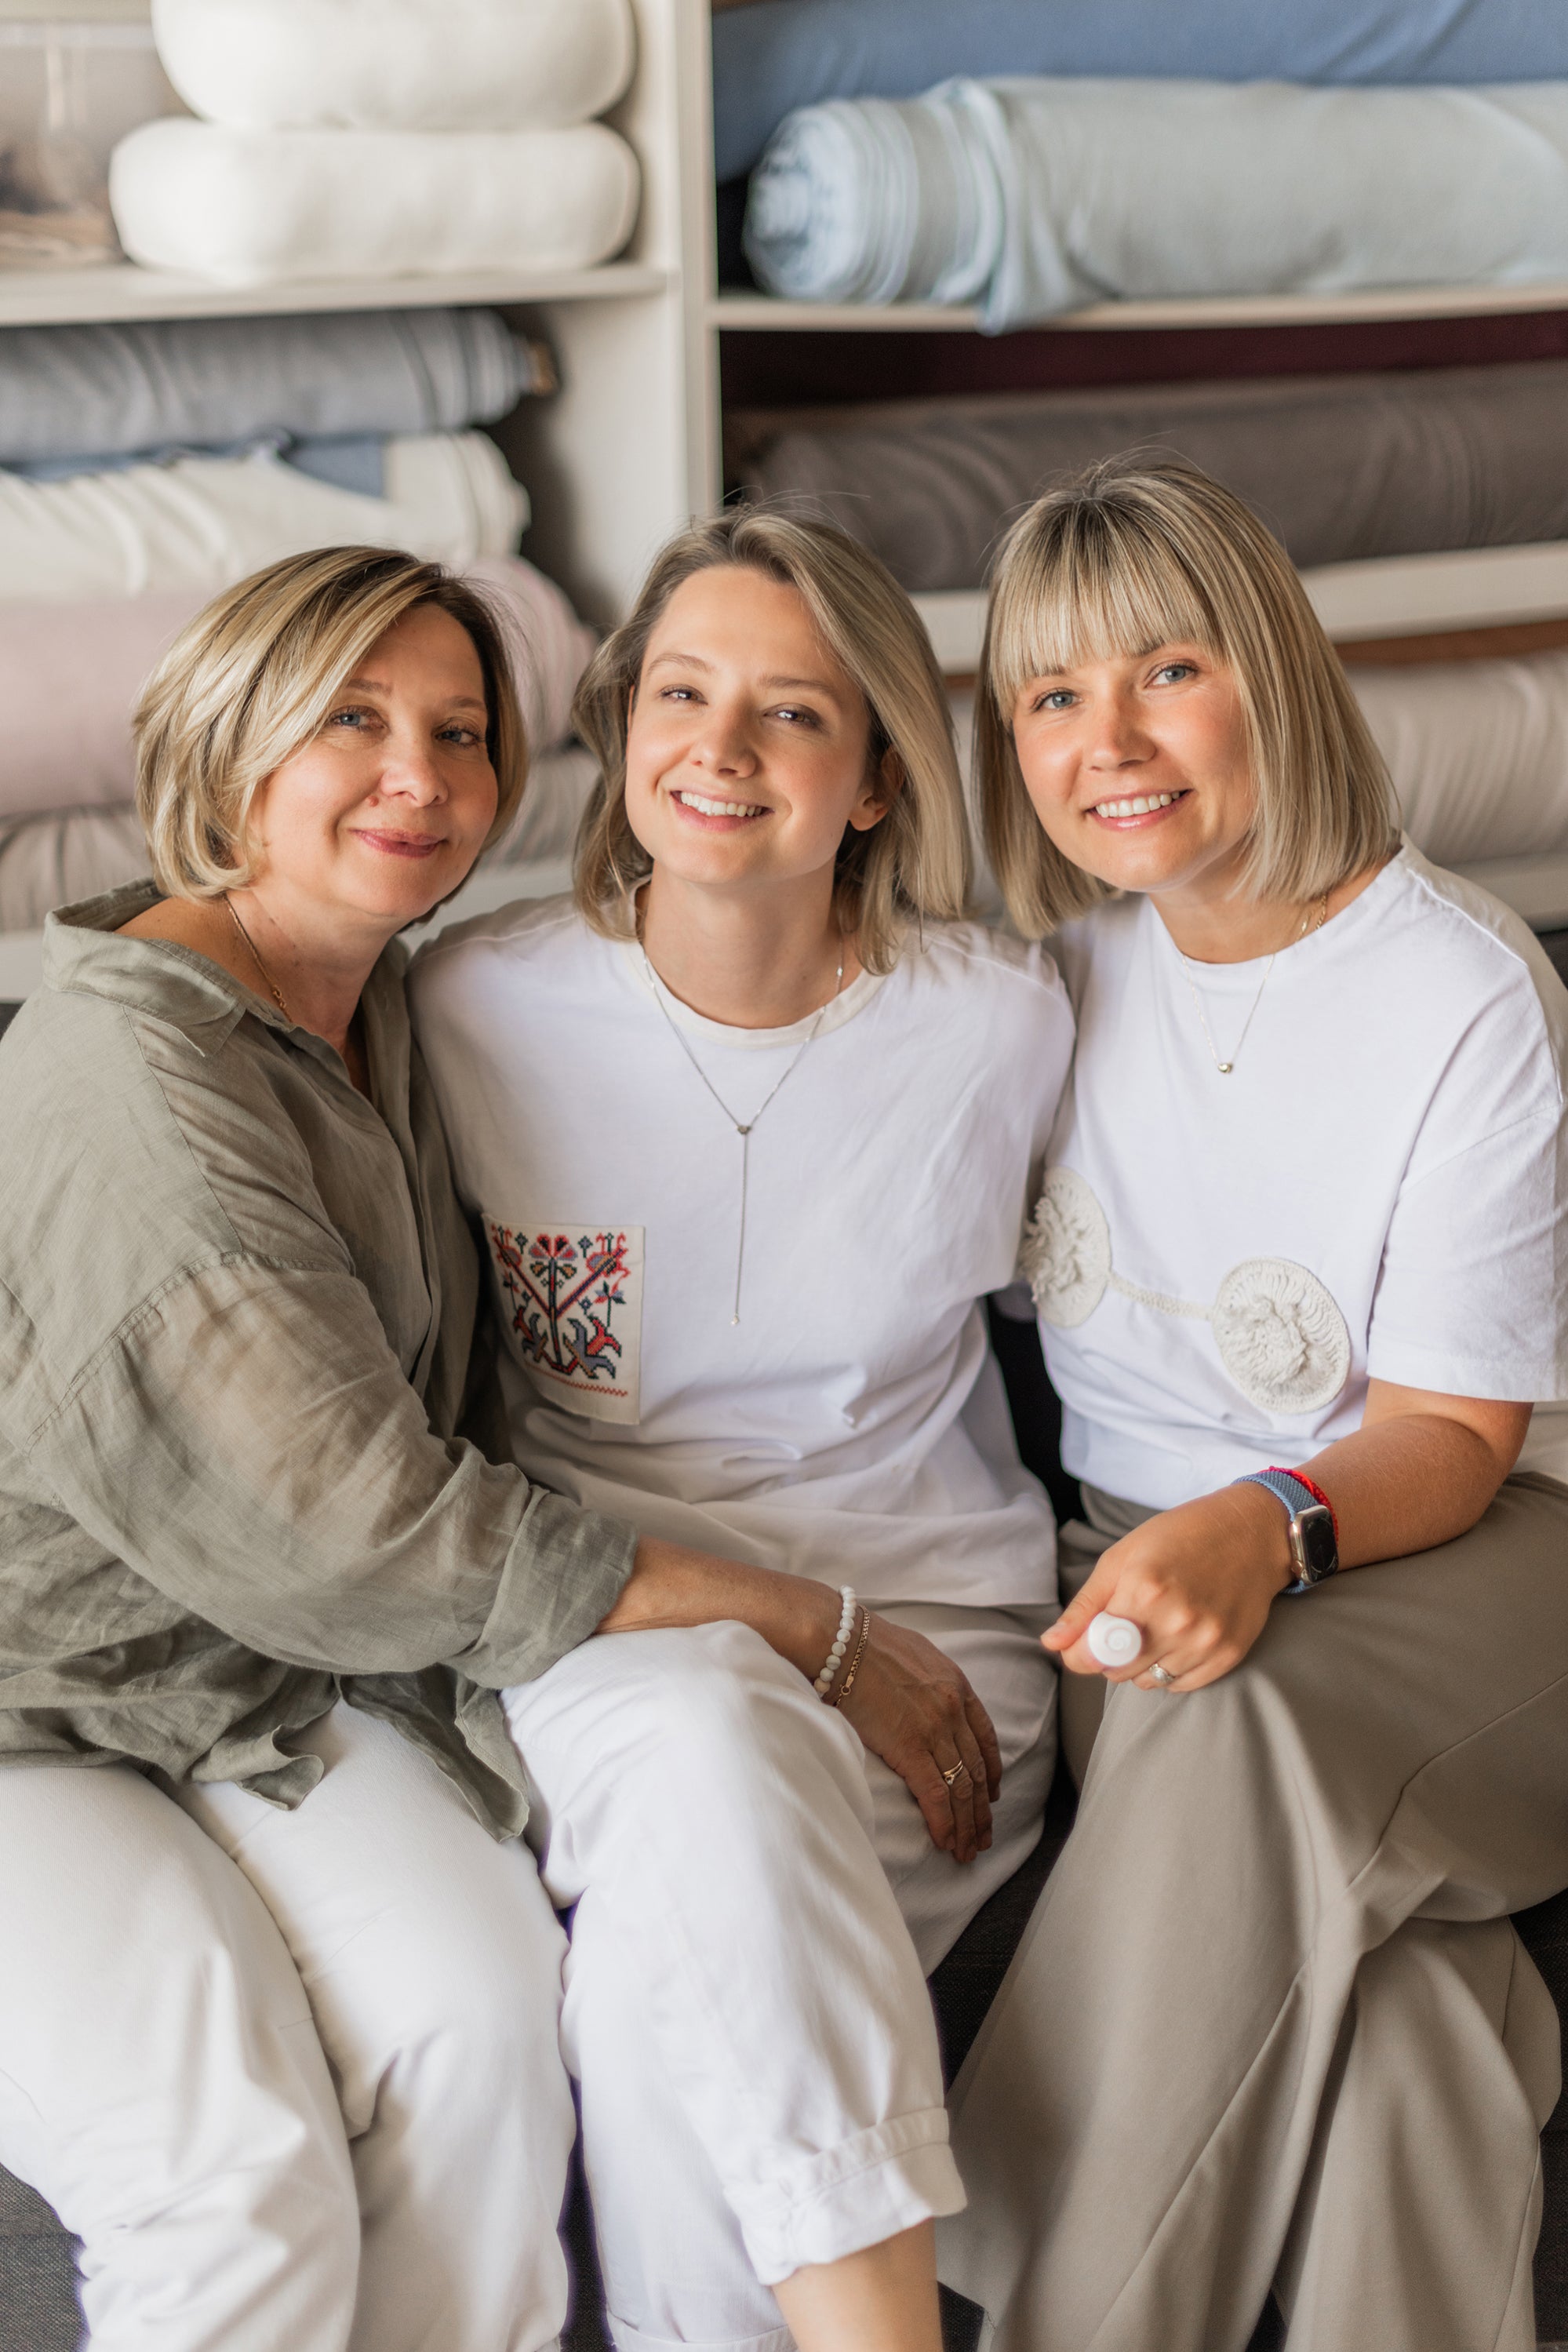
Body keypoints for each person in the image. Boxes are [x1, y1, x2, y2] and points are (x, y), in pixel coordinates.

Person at [0, 543, 976, 2352]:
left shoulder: (390, 1013)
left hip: (271, 1694)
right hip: (39, 1715)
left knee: (482, 2027)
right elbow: (365, 1528)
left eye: (462, 730)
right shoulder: (130, 1076)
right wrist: (811, 1623)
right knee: (235, 2168)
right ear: (231, 746)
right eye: (351, 721)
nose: (421, 778)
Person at [410, 508, 1074, 2352]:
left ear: (871, 779)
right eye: (682, 693)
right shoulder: (467, 1002)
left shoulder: (1005, 1025)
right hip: (601, 1634)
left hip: (940, 1665)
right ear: (621, 728)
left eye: (791, 713)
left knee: (654, 1980)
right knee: (707, 1732)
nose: (719, 747)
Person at [934, 459, 1568, 2352]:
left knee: (1236, 1719)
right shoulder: (1051, 979)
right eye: (1049, 696)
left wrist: (1259, 1524)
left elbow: (1455, 1439)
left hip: (1468, 1553)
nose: (1105, 740)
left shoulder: (1461, 992)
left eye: (1164, 671)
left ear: (1267, 676)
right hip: (1143, 1556)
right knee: (1412, 2020)